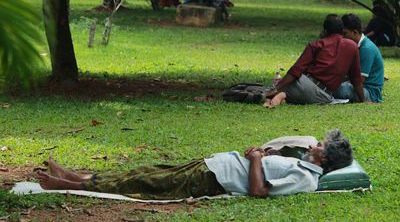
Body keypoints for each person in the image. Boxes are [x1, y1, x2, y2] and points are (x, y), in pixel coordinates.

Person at [37, 130, 353, 199]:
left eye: (320, 145)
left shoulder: (306, 179)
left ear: (323, 157)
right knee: (146, 172)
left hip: (213, 179)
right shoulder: (302, 162)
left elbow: (259, 190)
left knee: (145, 184)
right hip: (214, 165)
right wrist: (263, 155)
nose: (314, 144)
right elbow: (266, 169)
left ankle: (69, 185)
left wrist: (256, 159)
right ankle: (79, 175)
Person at [265, 14, 365, 105]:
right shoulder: (352, 46)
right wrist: (362, 101)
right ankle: (283, 97)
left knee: (268, 91)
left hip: (306, 85)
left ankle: (278, 95)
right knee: (291, 94)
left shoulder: (317, 44)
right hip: (324, 96)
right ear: (342, 30)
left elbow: (296, 70)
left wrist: (276, 88)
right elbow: (356, 79)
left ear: (325, 30)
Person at [334, 14, 384, 103]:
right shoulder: (354, 46)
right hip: (358, 86)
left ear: (355, 32)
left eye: (345, 33)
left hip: (369, 92)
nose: (342, 37)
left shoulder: (367, 49)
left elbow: (359, 80)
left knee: (339, 89)